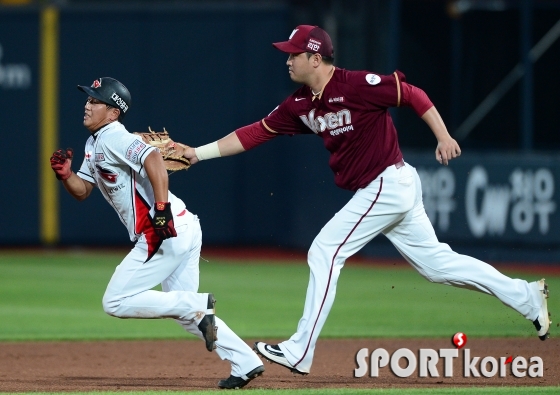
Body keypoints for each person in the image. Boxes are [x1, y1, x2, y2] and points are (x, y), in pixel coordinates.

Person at [182, 25, 552, 375]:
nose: (287, 59)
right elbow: (254, 133)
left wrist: (443, 136)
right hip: (385, 188)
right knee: (438, 266)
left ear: (315, 59)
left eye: (294, 53)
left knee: (324, 251)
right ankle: (525, 297)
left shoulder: (356, 84)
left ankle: (300, 348)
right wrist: (197, 153)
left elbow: (412, 95)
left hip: (387, 183)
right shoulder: (298, 104)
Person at [49, 77, 264, 389]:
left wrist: (160, 209)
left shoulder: (113, 137)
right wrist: (66, 175)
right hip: (183, 225)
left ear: (112, 112)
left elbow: (152, 158)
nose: (87, 104)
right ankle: (246, 362)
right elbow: (83, 191)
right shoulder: (94, 143)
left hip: (162, 228)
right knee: (188, 313)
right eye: (88, 98)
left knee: (116, 301)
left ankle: (197, 305)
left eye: (95, 100)